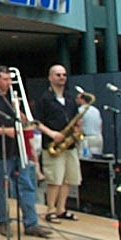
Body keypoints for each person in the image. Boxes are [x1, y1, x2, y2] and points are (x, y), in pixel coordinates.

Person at [0, 66, 52, 238]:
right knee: (1, 189)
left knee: (27, 185)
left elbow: (25, 122)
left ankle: (31, 223)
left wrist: (22, 114)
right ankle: (3, 221)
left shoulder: (14, 98)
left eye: (10, 79)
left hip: (20, 149)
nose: (8, 83)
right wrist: (6, 131)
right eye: (4, 79)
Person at [34, 64, 81, 223]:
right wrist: (52, 134)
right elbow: (37, 122)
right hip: (53, 144)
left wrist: (76, 129)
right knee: (54, 179)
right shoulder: (44, 99)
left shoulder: (70, 98)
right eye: (58, 75)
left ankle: (61, 209)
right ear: (50, 78)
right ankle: (50, 210)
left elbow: (75, 118)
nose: (62, 77)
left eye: (64, 75)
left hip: (69, 144)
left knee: (68, 178)